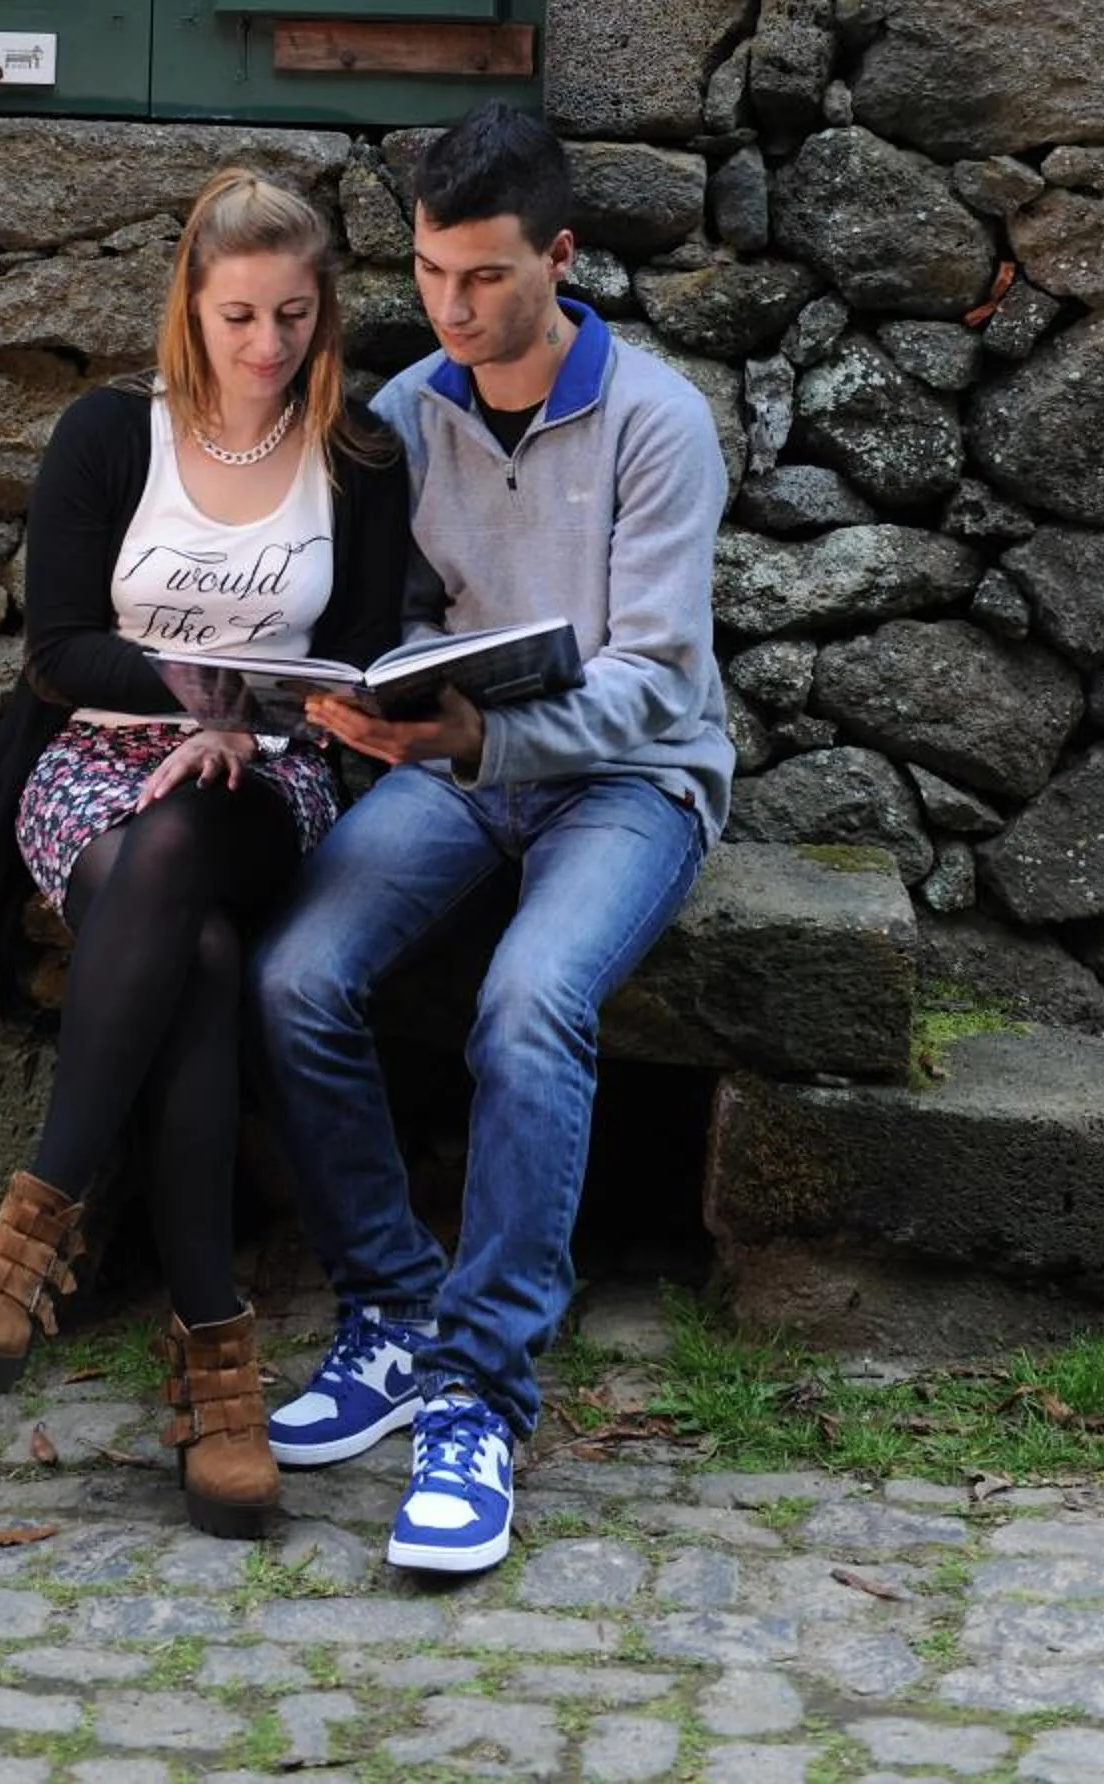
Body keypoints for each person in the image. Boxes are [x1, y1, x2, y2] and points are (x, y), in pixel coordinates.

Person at [253, 104, 732, 1575]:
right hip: (459, 768)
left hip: (635, 783)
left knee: (531, 1007)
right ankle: (393, 1311)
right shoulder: (406, 415)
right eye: (430, 274)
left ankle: (479, 1394)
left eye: (485, 278)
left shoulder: (658, 419)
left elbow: (655, 674)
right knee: (295, 978)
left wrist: (484, 737)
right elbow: (383, 625)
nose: (452, 310)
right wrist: (365, 711)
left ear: (561, 259)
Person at [0, 167, 408, 1538]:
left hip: (272, 775)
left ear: (325, 314)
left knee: (192, 839)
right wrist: (183, 699)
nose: (268, 348)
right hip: (96, 761)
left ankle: (35, 1226)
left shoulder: (360, 459)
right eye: (240, 316)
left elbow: (364, 659)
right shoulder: (106, 436)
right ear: (190, 310)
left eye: (296, 317)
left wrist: (251, 725)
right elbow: (60, 646)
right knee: (187, 936)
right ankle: (218, 1365)